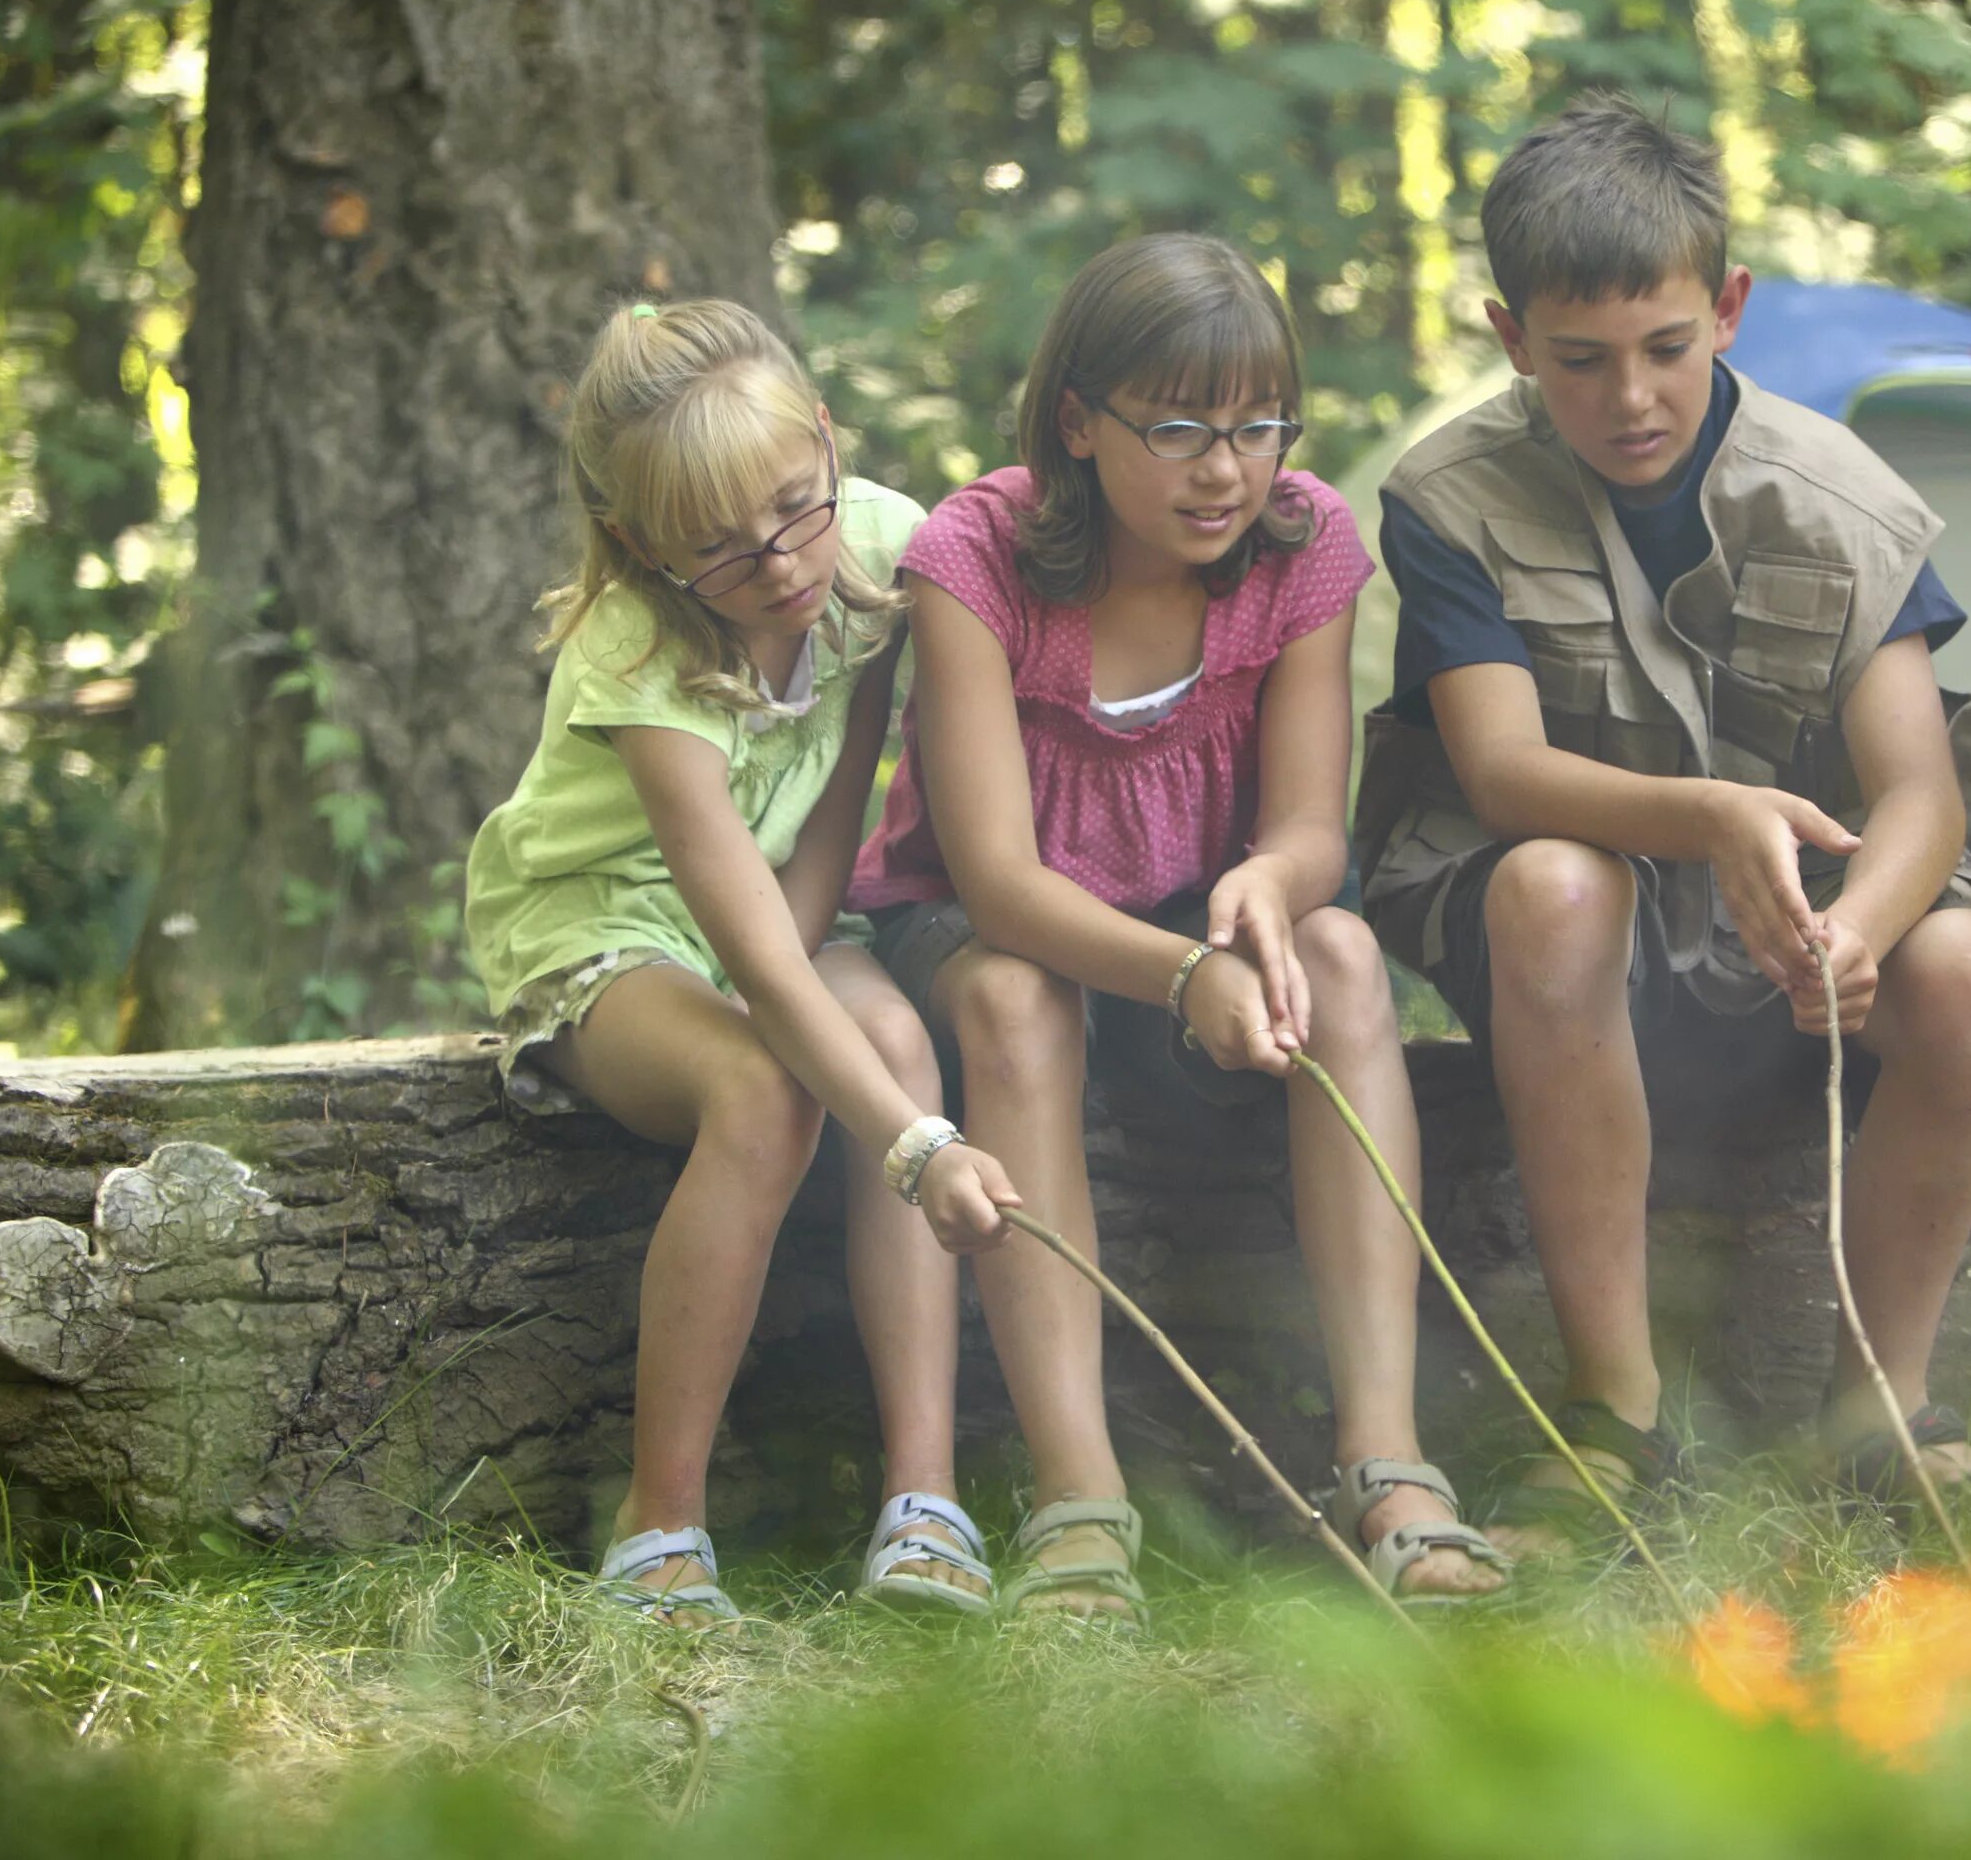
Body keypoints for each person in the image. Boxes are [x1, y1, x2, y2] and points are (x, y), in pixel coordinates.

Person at [1357, 97, 1971, 1553]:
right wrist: (1714, 817)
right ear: (1511, 337)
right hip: (1562, 947)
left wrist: (1857, 933)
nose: (1631, 398)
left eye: (1666, 348)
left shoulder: (1843, 500)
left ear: (1727, 311)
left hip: (1784, 944)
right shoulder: (1449, 497)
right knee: (1554, 885)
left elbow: (1919, 793)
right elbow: (1499, 771)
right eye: (1580, 360)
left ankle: (1882, 1408)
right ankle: (1617, 1414)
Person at [848, 234, 1508, 1618]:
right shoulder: (974, 558)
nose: (1227, 471)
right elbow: (996, 879)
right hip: (985, 921)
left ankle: (1385, 1459)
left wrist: (1268, 889)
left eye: (1261, 426)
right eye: (1181, 430)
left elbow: (1311, 830)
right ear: (1078, 423)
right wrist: (1185, 969)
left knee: (1340, 953)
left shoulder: (1301, 544)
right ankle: (1080, 1493)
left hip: (1192, 915)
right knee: (1016, 997)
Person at [466, 300, 1020, 1625]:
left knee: (895, 1045)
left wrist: (874, 1071)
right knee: (766, 1092)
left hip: (782, 904)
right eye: (719, 547)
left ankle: (924, 1501)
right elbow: (753, 971)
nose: (779, 566)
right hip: (605, 922)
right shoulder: (635, 649)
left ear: (826, 440)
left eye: (793, 507)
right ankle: (658, 1527)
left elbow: (834, 811)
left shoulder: (878, 547)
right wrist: (918, 1151)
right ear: (639, 542)